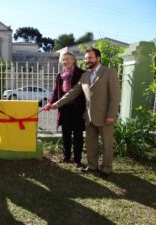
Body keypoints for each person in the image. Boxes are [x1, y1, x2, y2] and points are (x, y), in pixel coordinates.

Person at [51, 47, 120, 178]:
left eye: (90, 58)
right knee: (91, 143)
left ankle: (106, 168)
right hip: (88, 116)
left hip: (105, 116)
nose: (88, 60)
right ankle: (92, 165)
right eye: (86, 58)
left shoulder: (109, 72)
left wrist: (111, 114)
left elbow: (115, 96)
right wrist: (56, 104)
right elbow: (73, 93)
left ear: (98, 58)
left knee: (106, 144)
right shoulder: (85, 75)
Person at [45, 51, 85, 167]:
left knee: (78, 135)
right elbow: (55, 92)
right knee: (66, 133)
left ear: (73, 60)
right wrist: (50, 103)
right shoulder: (60, 75)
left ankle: (77, 159)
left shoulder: (82, 74)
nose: (65, 61)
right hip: (64, 109)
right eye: (63, 59)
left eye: (68, 58)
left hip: (78, 108)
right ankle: (66, 156)